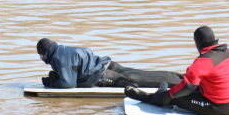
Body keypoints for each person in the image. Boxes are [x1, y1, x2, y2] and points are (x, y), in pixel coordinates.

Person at [125, 26, 229, 115]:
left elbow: (188, 87)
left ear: (197, 43)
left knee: (175, 96)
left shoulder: (205, 60)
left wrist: (168, 94)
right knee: (182, 87)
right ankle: (161, 92)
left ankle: (146, 97)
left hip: (217, 108)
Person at [36, 38, 183, 89]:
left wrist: (50, 84)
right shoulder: (63, 49)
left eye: (40, 55)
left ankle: (180, 82)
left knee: (141, 80)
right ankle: (180, 77)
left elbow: (69, 84)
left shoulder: (58, 58)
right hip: (106, 64)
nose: (41, 58)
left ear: (45, 53)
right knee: (142, 74)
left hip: (103, 75)